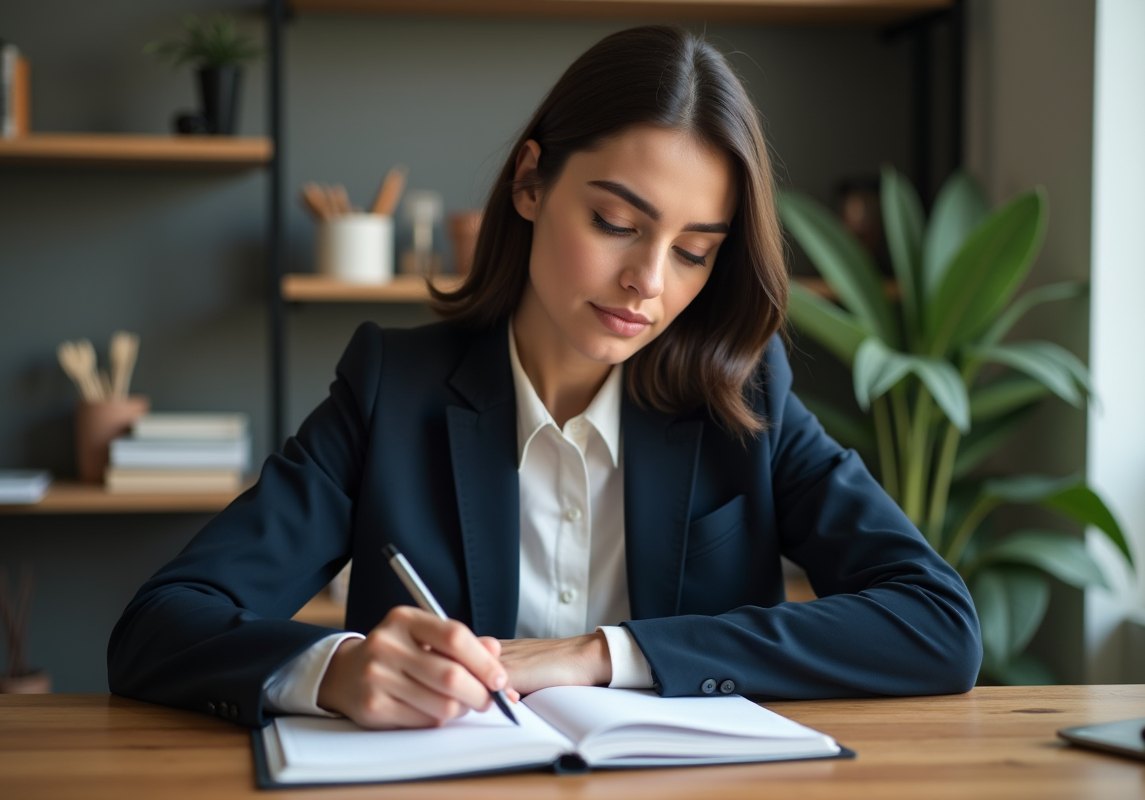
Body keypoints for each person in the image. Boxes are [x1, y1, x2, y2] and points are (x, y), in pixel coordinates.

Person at [108, 25, 981, 731]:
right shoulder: (391, 389)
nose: (650, 281)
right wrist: (333, 669)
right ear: (530, 183)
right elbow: (160, 624)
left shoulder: (746, 399)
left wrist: (600, 653)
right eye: (615, 222)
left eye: (693, 252)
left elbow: (936, 623)